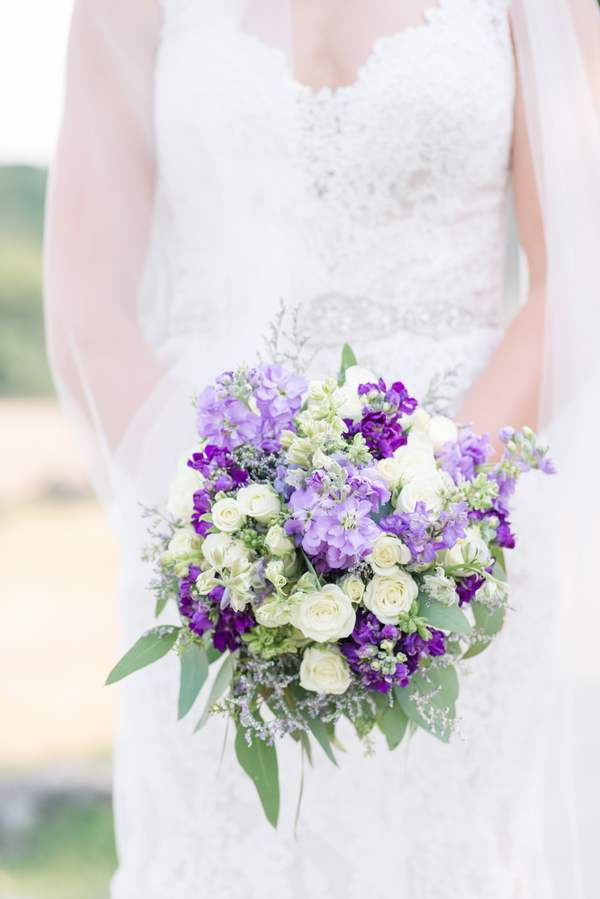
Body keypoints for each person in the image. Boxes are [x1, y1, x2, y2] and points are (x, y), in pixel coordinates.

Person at [44, 1, 600, 896]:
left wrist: (440, 515)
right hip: (209, 530)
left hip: (467, 531)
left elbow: (577, 269)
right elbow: (86, 307)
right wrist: (223, 536)